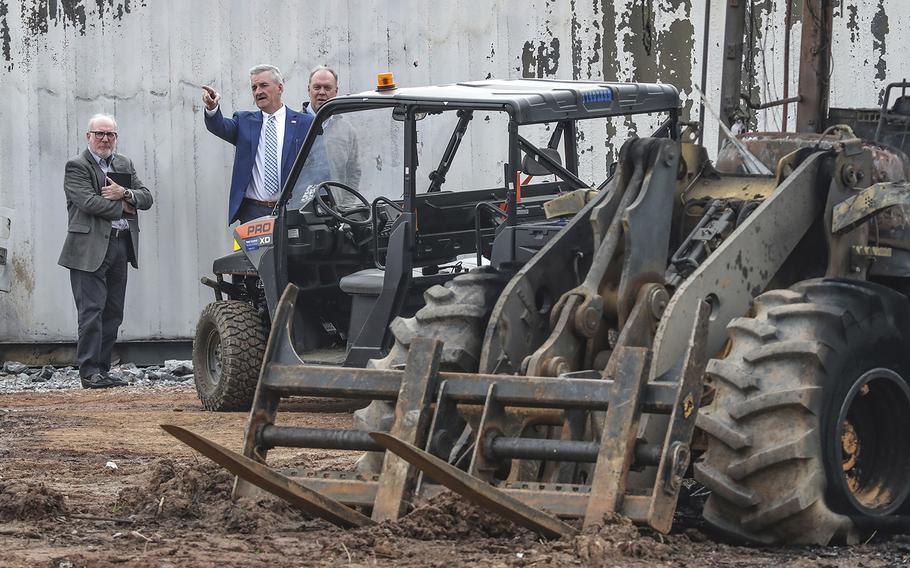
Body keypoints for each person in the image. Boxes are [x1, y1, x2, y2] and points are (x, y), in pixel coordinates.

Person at [58, 114, 154, 389]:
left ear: (116, 137)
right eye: (99, 134)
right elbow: (87, 202)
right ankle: (89, 372)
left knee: (113, 311)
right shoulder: (76, 166)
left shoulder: (123, 163)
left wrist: (124, 193)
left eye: (110, 134)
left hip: (120, 245)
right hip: (87, 249)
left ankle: (103, 369)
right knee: (91, 310)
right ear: (88, 136)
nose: (104, 139)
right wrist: (125, 205)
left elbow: (146, 196)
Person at [202, 64, 314, 224]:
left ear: (280, 88)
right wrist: (212, 108)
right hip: (253, 213)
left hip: (292, 211)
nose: (258, 91)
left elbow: (317, 165)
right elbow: (218, 126)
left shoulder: (304, 123)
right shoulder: (244, 122)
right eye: (254, 87)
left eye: (263, 85)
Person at [303, 66, 361, 202]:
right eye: (317, 87)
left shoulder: (347, 131)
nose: (322, 92)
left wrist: (347, 205)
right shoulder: (293, 126)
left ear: (336, 92)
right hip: (298, 210)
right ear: (309, 90)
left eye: (327, 88)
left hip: (335, 209)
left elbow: (353, 173)